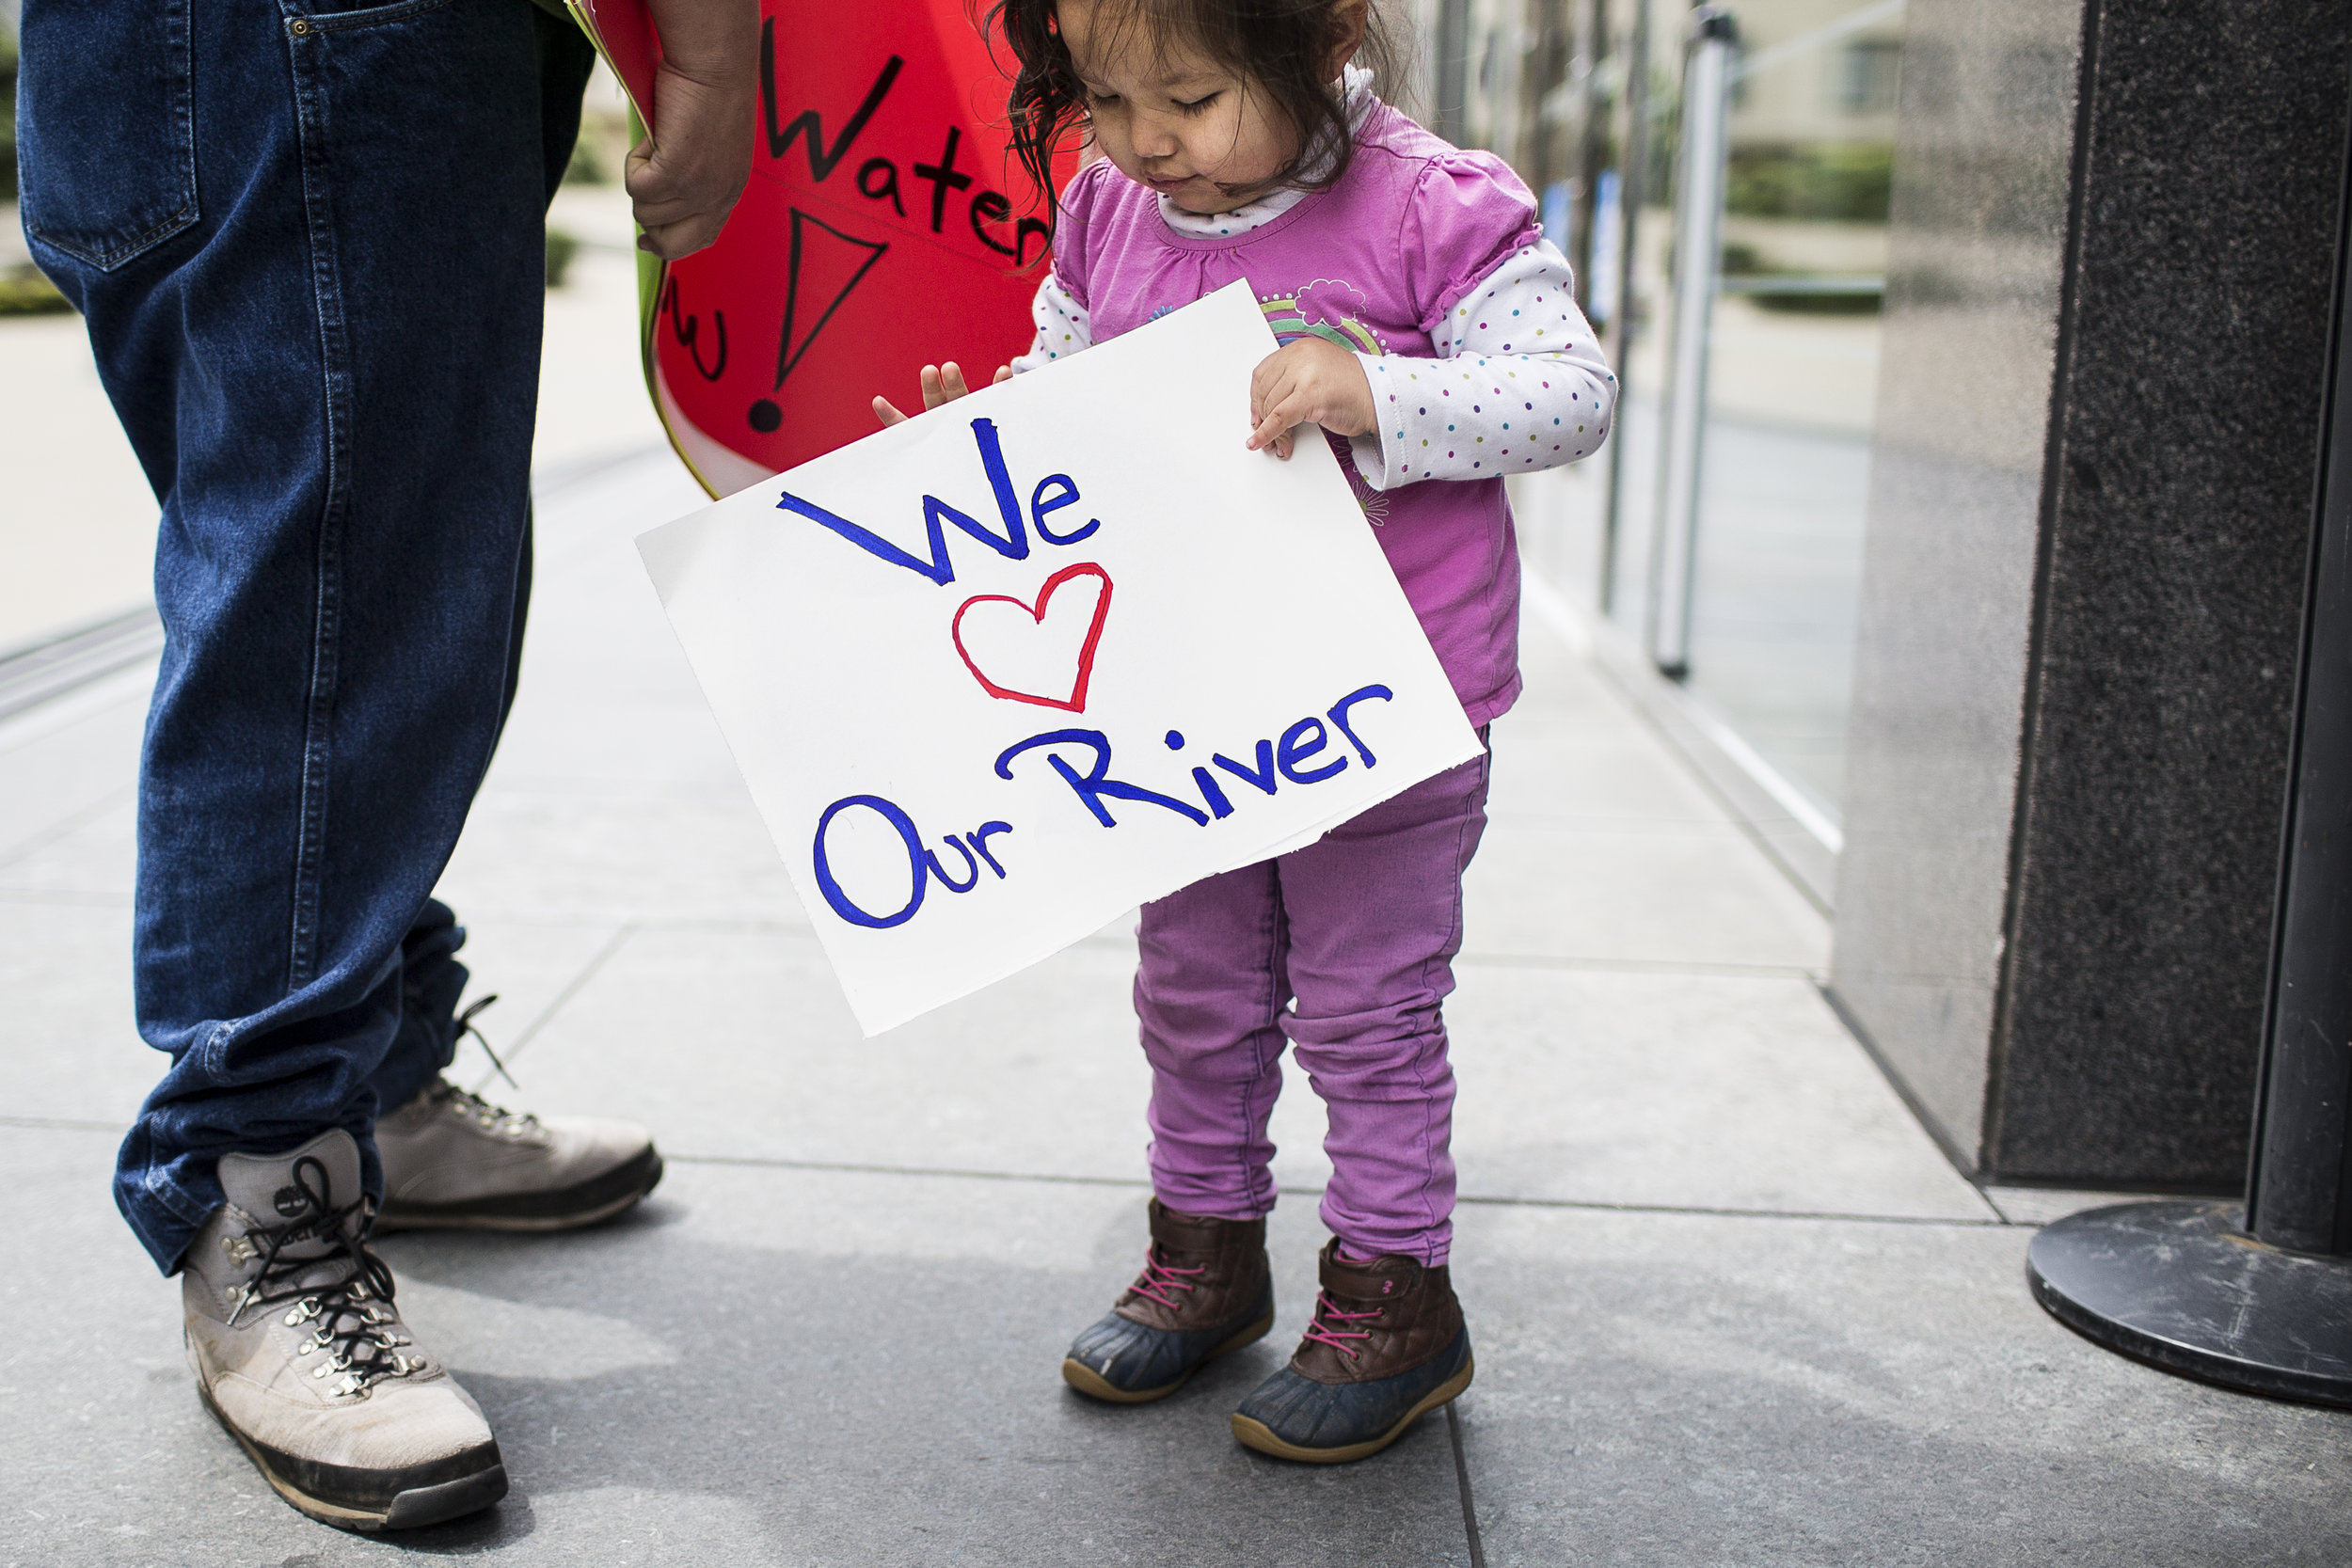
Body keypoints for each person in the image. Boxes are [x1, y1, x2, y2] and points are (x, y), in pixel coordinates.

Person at [16, 0, 754, 1531]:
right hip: (344, 33)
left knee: (315, 554)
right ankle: (264, 1175)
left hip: (151, 46)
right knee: (343, 584)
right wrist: (715, 42)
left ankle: (372, 1064)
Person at [874, 0, 1615, 1464]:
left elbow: (1568, 393)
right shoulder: (1109, 212)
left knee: (1366, 1010)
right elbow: (1069, 384)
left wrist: (1378, 390)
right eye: (1106, 96)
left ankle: (1395, 1296)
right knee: (1194, 991)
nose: (1151, 140)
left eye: (1195, 97)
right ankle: (1206, 1251)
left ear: (1327, 41)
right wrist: (996, 435)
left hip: (1384, 710)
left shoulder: (1430, 206)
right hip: (1195, 703)